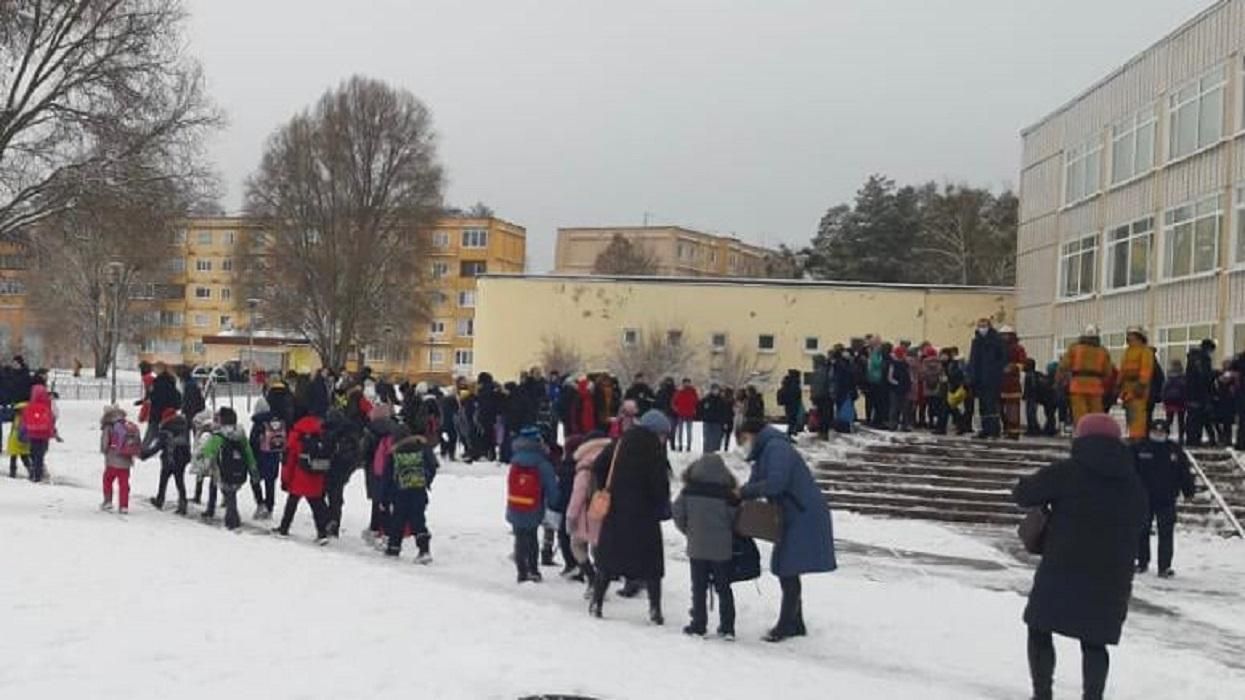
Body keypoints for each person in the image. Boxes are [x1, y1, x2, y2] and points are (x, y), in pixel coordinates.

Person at [1013, 414, 1147, 700]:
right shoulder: (1132, 481)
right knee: (1095, 640)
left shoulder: (1068, 471)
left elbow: (1024, 495)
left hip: (1062, 567)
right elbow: (1141, 520)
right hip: (1110, 575)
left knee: (1040, 627)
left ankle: (1042, 694)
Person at [735, 418, 836, 642]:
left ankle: (787, 624)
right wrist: (743, 491)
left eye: (744, 440)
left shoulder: (776, 448)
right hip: (794, 512)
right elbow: (759, 480)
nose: (744, 445)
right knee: (786, 566)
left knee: (787, 567)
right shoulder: (768, 449)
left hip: (802, 513)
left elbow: (775, 483)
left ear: (752, 434)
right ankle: (795, 621)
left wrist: (743, 493)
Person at [589, 410, 672, 623]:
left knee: (608, 561)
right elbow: (659, 485)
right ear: (657, 432)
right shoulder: (655, 451)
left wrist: (607, 489)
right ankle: (655, 610)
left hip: (616, 511)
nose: (665, 439)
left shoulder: (619, 443)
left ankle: (596, 602)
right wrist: (662, 507)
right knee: (652, 566)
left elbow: (598, 466)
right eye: (664, 435)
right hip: (645, 516)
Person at [672, 453, 739, 641]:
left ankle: (698, 624)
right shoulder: (727, 494)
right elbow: (736, 519)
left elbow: (677, 512)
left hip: (697, 546)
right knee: (724, 588)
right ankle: (727, 627)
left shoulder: (689, 490)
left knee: (698, 586)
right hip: (722, 549)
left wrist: (688, 530)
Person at [1132, 420, 1195, 577]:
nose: (1158, 434)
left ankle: (1164, 566)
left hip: (1166, 498)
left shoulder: (1174, 450)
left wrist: (1188, 491)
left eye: (1162, 432)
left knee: (1166, 533)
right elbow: (1129, 471)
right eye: (1155, 431)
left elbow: (1184, 472)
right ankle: (1142, 561)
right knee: (1142, 531)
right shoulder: (1139, 448)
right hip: (1143, 497)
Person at [506, 426, 560, 583]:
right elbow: (551, 488)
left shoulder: (515, 460)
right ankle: (533, 570)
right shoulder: (541, 463)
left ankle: (521, 571)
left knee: (519, 537)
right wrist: (555, 502)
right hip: (533, 507)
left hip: (515, 504)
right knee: (531, 538)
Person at [274, 411, 332, 544]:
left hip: (299, 476)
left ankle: (284, 528)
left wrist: (285, 479)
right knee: (316, 505)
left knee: (292, 503)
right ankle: (322, 533)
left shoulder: (296, 435)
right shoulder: (321, 433)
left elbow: (290, 461)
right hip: (316, 475)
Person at [196, 407, 258, 531]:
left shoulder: (218, 436)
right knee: (230, 493)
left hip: (223, 469)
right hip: (239, 470)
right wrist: (252, 467)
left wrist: (202, 459)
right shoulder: (240, 435)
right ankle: (225, 514)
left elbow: (209, 451)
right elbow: (248, 452)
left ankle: (231, 520)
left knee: (228, 494)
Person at [385, 423, 438, 563]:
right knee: (418, 519)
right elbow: (433, 465)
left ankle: (393, 547)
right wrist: (426, 480)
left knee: (398, 519)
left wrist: (387, 495)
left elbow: (388, 475)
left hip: (400, 491)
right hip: (419, 489)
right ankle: (424, 549)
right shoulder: (421, 446)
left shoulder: (394, 452)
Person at [1058, 326, 1115, 425]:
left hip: (1077, 386)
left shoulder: (1074, 348)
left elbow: (1064, 366)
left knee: (1080, 415)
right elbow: (1108, 372)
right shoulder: (1102, 351)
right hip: (1096, 387)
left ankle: (1082, 435)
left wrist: (1061, 380)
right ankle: (1096, 435)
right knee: (1096, 415)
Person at [142, 407, 192, 514]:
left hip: (169, 459)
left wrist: (144, 455)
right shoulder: (184, 426)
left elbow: (157, 447)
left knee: (163, 479)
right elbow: (187, 443)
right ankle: (183, 504)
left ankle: (160, 500)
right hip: (182, 457)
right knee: (180, 481)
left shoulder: (165, 430)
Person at [248, 396, 286, 519]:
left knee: (255, 480)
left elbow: (253, 442)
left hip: (259, 458)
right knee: (270, 484)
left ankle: (260, 504)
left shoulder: (258, 423)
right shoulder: (277, 423)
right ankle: (269, 507)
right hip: (273, 458)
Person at [968, 319, 1006, 438]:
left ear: (989, 326)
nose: (981, 328)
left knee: (992, 405)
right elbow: (973, 360)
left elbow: (1002, 358)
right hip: (979, 379)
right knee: (982, 406)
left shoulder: (996, 340)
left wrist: (997, 372)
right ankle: (985, 429)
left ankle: (994, 429)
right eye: (980, 326)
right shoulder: (976, 341)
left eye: (984, 326)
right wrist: (971, 377)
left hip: (992, 378)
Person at [99, 406, 140, 513]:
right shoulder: (128, 425)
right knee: (124, 484)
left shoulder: (109, 427)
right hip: (126, 460)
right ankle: (124, 506)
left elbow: (104, 443)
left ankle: (107, 501)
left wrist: (105, 451)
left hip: (112, 460)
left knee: (107, 480)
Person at [1119, 327, 1156, 441]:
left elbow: (1146, 370)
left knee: (1138, 414)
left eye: (1132, 335)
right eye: (1129, 335)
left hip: (1138, 387)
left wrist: (1141, 385)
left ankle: (1138, 438)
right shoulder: (1128, 352)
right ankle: (1132, 436)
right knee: (1130, 415)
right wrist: (1118, 385)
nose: (1129, 338)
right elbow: (1123, 370)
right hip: (1127, 387)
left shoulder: (1145, 351)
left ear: (1140, 337)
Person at [22, 383, 57, 482]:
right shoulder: (46, 405)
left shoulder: (29, 406)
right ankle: (38, 474)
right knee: (40, 455)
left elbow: (25, 421)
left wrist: (24, 432)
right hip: (43, 434)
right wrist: (52, 432)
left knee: (33, 453)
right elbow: (50, 420)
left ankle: (34, 472)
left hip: (32, 434)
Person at [1184, 339, 1216, 446]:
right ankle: (1198, 441)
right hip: (1201, 395)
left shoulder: (1192, 359)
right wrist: (1216, 374)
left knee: (1192, 420)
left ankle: (1191, 440)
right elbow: (1205, 378)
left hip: (1190, 395)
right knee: (1202, 419)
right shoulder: (1204, 359)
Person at [999, 326, 1027, 440]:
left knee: (1013, 409)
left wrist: (1013, 367)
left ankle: (1013, 431)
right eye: (1003, 335)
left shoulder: (1018, 348)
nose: (1005, 337)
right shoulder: (997, 348)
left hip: (1013, 383)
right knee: (1000, 408)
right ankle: (1005, 428)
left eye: (1007, 335)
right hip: (999, 382)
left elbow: (1023, 363)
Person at [1162, 360, 1187, 444]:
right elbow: (1185, 389)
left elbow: (1164, 390)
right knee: (1181, 421)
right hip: (1180, 402)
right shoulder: (1183, 377)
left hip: (1169, 402)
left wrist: (1164, 400)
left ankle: (1165, 435)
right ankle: (1181, 437)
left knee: (1169, 420)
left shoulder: (1169, 377)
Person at [887, 346, 912, 431]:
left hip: (903, 388)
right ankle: (894, 424)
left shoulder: (906, 364)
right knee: (895, 407)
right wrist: (897, 383)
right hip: (896, 388)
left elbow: (909, 375)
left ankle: (902, 425)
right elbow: (890, 377)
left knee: (904, 408)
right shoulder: (894, 364)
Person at [697, 385, 729, 453]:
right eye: (714, 390)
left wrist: (724, 421)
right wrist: (702, 416)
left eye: (716, 390)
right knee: (707, 439)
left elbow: (725, 412)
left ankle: (715, 454)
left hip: (717, 423)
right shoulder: (706, 399)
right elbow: (699, 407)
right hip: (708, 422)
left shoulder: (722, 400)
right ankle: (706, 454)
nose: (715, 391)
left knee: (716, 440)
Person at [671, 378, 699, 451]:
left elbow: (697, 402)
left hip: (690, 414)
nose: (686, 384)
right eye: (685, 383)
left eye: (688, 383)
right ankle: (680, 445)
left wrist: (694, 409)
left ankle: (688, 446)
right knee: (680, 431)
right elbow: (673, 402)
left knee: (689, 431)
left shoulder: (693, 391)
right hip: (681, 414)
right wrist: (676, 409)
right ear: (683, 383)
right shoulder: (679, 392)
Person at [777, 369, 804, 437]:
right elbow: (795, 393)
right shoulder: (794, 383)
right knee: (793, 419)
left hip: (788, 403)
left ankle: (791, 432)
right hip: (793, 403)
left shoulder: (787, 381)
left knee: (791, 419)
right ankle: (790, 433)